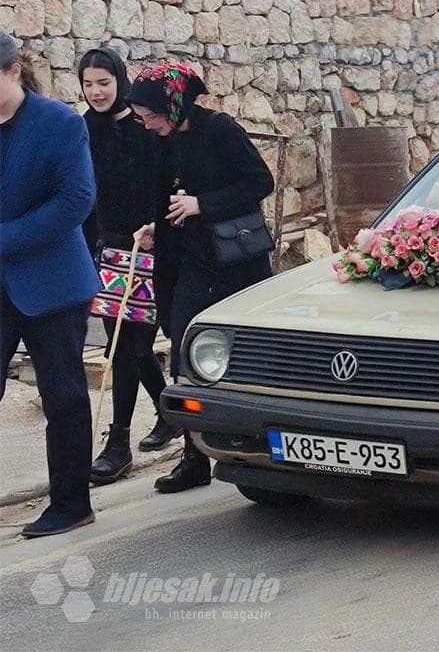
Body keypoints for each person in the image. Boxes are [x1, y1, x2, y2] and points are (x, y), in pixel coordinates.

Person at [129, 62, 275, 493]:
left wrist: (202, 205)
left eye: (151, 115)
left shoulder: (220, 130)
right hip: (185, 260)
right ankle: (194, 459)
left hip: (232, 263)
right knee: (185, 351)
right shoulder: (164, 138)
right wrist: (156, 226)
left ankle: (261, 444)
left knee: (243, 354)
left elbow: (258, 182)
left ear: (171, 106)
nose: (147, 124)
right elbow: (168, 193)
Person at [0, 31, 101, 537]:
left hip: (53, 284)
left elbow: (75, 201)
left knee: (62, 396)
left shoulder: (59, 123)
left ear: (14, 71)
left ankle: (70, 502)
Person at [79, 49, 180, 485]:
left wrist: (157, 224)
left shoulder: (145, 128)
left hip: (147, 248)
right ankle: (167, 410)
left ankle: (117, 443)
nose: (96, 91)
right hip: (106, 250)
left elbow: (170, 181)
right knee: (127, 342)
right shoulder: (81, 129)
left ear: (119, 79)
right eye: (88, 83)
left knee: (126, 347)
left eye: (104, 81)